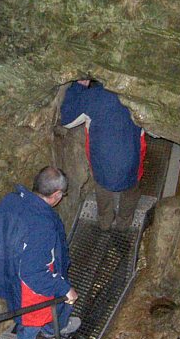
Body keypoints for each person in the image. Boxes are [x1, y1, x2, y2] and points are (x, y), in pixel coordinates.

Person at [0, 166, 80, 339]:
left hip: (8, 270)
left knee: (25, 307)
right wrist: (65, 288)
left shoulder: (11, 200)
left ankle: (50, 327)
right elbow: (34, 274)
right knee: (33, 315)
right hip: (28, 284)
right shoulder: (41, 226)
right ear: (56, 195)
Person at [61, 79, 147, 231]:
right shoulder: (141, 96)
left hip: (102, 164)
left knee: (102, 189)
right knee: (131, 191)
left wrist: (78, 86)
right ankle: (124, 223)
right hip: (132, 162)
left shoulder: (93, 97)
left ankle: (105, 222)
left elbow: (67, 121)